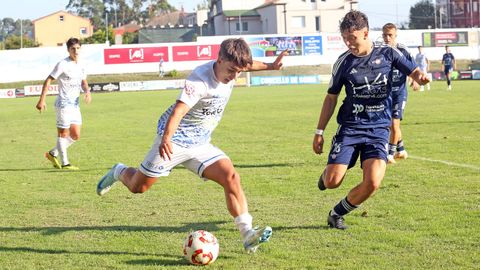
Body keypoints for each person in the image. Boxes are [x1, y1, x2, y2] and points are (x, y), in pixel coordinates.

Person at [97, 38, 287, 252]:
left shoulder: (235, 67)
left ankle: (247, 234)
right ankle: (119, 171)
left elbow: (249, 65)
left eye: (239, 72)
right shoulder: (199, 80)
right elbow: (179, 111)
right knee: (138, 187)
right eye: (232, 70)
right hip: (173, 141)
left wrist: (271, 66)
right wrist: (166, 139)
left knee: (231, 177)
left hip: (200, 144)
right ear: (220, 59)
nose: (234, 76)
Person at [313, 11, 429, 230]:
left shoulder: (388, 53)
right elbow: (331, 97)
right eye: (345, 38)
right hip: (350, 127)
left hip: (378, 129)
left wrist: (419, 77)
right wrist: (319, 132)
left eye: (353, 38)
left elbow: (412, 70)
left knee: (373, 182)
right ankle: (329, 172)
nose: (349, 43)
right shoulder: (344, 63)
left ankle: (336, 213)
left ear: (365, 33)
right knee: (332, 182)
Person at [36, 37, 91, 170]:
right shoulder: (63, 64)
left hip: (75, 106)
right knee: (63, 134)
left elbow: (83, 81)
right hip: (63, 105)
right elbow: (48, 80)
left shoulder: (82, 64)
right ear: (68, 50)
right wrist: (42, 100)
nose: (76, 51)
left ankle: (52, 153)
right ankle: (65, 163)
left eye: (78, 48)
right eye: (73, 49)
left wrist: (87, 92)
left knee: (75, 135)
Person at [382, 23, 412, 163]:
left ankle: (390, 154)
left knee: (394, 124)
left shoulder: (403, 50)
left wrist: (416, 81)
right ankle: (401, 150)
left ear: (395, 36)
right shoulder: (380, 51)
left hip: (399, 93)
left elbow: (412, 68)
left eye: (390, 35)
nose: (387, 38)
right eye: (385, 35)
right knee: (391, 124)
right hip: (385, 94)